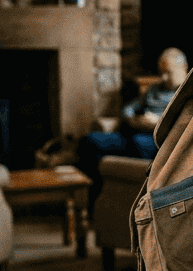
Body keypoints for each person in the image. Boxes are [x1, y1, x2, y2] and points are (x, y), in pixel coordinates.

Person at [75, 46, 187, 205]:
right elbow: (128, 108)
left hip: (156, 141)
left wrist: (157, 121)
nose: (163, 77)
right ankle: (92, 203)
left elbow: (186, 121)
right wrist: (133, 119)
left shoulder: (188, 92)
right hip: (133, 134)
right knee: (89, 141)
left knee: (138, 143)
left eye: (168, 72)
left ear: (183, 68)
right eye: (161, 72)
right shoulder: (154, 89)